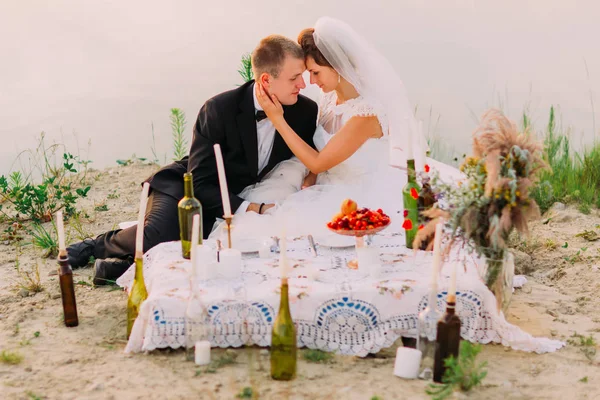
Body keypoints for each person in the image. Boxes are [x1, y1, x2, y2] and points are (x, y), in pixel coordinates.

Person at [66, 35, 318, 284]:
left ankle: (117, 269)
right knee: (157, 236)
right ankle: (95, 246)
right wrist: (254, 208)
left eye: (303, 76)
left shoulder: (305, 111)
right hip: (187, 186)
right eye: (295, 78)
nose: (303, 85)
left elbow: (309, 156)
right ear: (266, 79)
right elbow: (200, 182)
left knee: (200, 246)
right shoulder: (219, 109)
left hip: (230, 194)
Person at [208, 17, 444, 244]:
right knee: (260, 225)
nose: (310, 81)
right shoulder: (329, 98)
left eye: (315, 72)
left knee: (296, 230)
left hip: (357, 190)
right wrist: (310, 178)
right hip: (323, 185)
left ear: (337, 66)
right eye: (307, 73)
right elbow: (320, 148)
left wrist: (277, 119)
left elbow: (320, 162)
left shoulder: (366, 113)